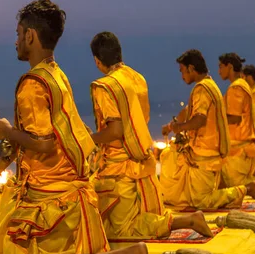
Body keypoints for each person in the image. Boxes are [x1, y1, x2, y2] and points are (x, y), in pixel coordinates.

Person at [0, 0, 155, 254]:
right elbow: (29, 140)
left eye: (18, 34)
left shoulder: (32, 84)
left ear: (30, 36)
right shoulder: (56, 74)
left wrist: (5, 130)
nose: (16, 41)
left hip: (49, 190)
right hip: (67, 184)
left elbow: (42, 144)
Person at [89, 32, 212, 238]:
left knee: (119, 232)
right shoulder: (137, 78)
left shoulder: (106, 85)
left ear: (97, 61)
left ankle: (186, 220)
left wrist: (87, 139)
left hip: (120, 168)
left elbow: (116, 131)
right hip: (141, 160)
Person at [160, 49, 255, 209]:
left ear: (191, 68)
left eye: (182, 71)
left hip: (207, 152)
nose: (182, 76)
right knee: (169, 157)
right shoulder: (211, 85)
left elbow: (200, 119)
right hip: (210, 150)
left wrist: (179, 128)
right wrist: (172, 126)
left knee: (201, 201)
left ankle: (246, 189)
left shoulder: (203, 88)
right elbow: (190, 111)